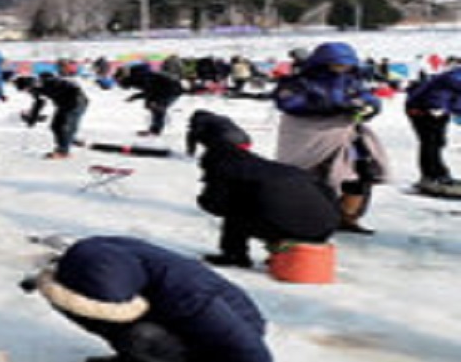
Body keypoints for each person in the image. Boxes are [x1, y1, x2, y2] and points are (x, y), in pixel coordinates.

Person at [27, 235, 272, 362]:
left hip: (216, 347)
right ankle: (138, 359)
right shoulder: (98, 254)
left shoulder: (190, 298)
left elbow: (255, 361)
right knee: (74, 304)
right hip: (170, 315)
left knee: (139, 335)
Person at [185, 111, 339, 268]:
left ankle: (235, 255)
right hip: (325, 227)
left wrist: (205, 199)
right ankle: (285, 252)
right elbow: (328, 193)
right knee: (269, 204)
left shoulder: (224, 167)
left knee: (237, 211)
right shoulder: (269, 167)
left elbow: (215, 204)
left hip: (291, 226)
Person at [273, 41, 389, 234]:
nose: (343, 68)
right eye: (338, 64)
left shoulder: (352, 80)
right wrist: (332, 107)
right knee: (310, 177)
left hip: (345, 134)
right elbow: (289, 103)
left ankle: (348, 215)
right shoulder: (300, 82)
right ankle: (307, 217)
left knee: (359, 173)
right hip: (309, 136)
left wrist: (369, 107)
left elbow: (369, 97)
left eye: (346, 64)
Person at [403, 61, 461, 192]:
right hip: (422, 109)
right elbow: (437, 95)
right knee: (430, 142)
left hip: (437, 110)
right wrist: (436, 107)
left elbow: (456, 101)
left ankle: (439, 174)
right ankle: (430, 177)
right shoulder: (454, 78)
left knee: (438, 142)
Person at [18, 71, 89, 158]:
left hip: (76, 102)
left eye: (26, 89)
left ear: (29, 85)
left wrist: (44, 92)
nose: (27, 92)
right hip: (64, 104)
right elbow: (39, 103)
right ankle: (68, 140)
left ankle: (63, 151)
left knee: (63, 125)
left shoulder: (48, 82)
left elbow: (73, 88)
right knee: (55, 125)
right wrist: (32, 119)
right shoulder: (37, 88)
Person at [121, 63, 184, 137]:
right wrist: (135, 97)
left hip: (171, 89)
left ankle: (155, 131)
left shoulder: (142, 77)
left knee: (156, 106)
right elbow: (149, 90)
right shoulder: (142, 75)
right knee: (154, 105)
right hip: (169, 88)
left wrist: (137, 98)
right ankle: (155, 129)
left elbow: (150, 90)